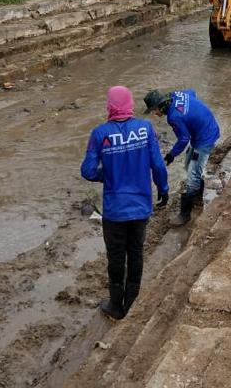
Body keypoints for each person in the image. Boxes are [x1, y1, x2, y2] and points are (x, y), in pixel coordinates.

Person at [81, 86, 169, 320]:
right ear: (130, 104)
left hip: (115, 211)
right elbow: (158, 166)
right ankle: (132, 302)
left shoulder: (100, 134)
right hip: (141, 207)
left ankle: (115, 305)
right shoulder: (145, 129)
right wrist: (163, 189)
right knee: (136, 253)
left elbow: (88, 171)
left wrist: (108, 174)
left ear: (109, 106)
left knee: (116, 256)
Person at [143, 88, 220, 227]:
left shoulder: (173, 117)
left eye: (154, 110)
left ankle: (185, 215)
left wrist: (172, 154)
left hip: (205, 138)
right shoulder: (176, 95)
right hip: (205, 128)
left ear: (161, 105)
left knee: (192, 175)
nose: (154, 114)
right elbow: (192, 92)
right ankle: (197, 199)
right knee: (188, 165)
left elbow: (184, 138)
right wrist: (194, 115)